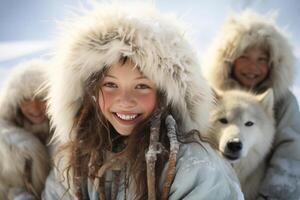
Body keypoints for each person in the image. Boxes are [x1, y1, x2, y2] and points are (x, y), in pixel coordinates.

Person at [41, 2, 244, 200]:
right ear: (90, 91)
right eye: (111, 85)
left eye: (142, 86)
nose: (125, 101)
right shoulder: (73, 162)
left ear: (165, 94)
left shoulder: (195, 168)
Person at [203, 10, 300, 199]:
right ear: (228, 60)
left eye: (261, 59)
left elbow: (293, 151)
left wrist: (272, 195)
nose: (252, 67)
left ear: (274, 64)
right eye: (244, 57)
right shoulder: (211, 93)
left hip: (265, 187)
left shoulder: (283, 102)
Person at [0, 59, 51, 199]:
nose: (35, 107)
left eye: (40, 97)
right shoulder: (5, 143)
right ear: (15, 103)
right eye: (25, 99)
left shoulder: (67, 133)